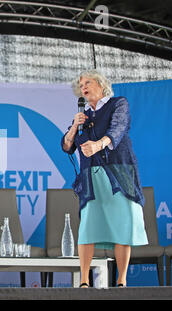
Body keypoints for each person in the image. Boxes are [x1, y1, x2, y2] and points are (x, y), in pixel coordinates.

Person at [61, 70, 148, 288]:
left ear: (101, 84)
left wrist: (98, 144)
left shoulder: (118, 103)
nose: (83, 87)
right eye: (81, 85)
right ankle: (83, 281)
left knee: (123, 224)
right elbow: (66, 146)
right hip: (92, 175)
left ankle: (121, 281)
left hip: (119, 172)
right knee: (88, 225)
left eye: (87, 82)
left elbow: (118, 129)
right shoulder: (83, 116)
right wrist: (73, 126)